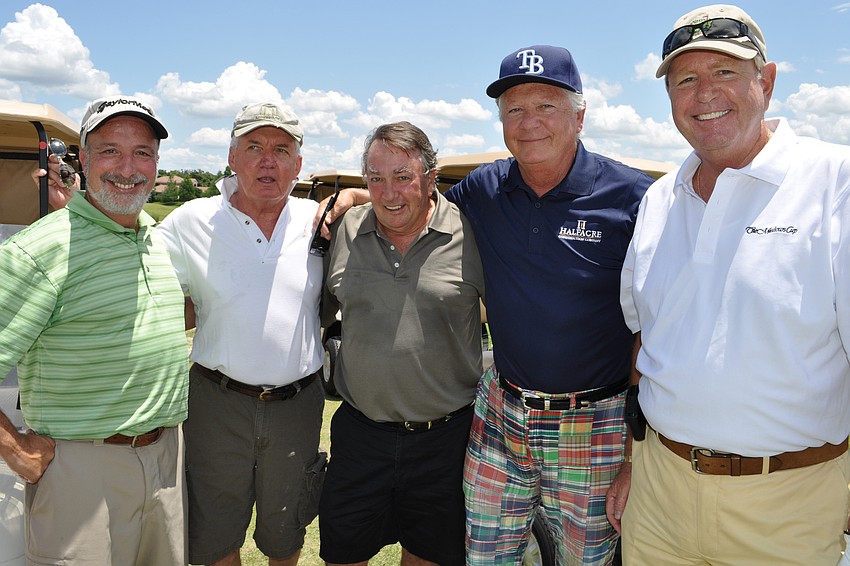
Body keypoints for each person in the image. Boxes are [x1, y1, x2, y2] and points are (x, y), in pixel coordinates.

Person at [319, 46, 653, 565]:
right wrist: (357, 197)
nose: (529, 123)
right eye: (515, 110)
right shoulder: (485, 189)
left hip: (594, 420)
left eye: (546, 106)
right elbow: (410, 194)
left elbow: (653, 329)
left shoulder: (634, 198)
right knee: (485, 555)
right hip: (503, 415)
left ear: (580, 115)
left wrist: (636, 455)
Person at [617, 5, 850, 564]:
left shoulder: (833, 184)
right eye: (685, 80)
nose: (704, 95)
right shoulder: (658, 199)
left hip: (788, 502)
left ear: (766, 82)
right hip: (658, 496)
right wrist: (632, 460)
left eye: (725, 73)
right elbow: (646, 338)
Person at [0, 95, 189, 564]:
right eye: (110, 150)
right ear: (83, 158)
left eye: (142, 152)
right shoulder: (37, 251)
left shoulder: (157, 241)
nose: (128, 167)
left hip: (165, 461)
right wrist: (15, 450)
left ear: (157, 162)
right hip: (80, 470)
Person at [156, 102, 327, 566]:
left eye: (281, 149)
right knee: (214, 533)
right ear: (232, 157)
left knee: (285, 533)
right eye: (254, 147)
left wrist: (350, 198)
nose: (267, 161)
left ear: (298, 163)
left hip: (298, 403)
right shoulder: (189, 221)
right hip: (217, 403)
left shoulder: (320, 222)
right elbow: (148, 291)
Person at [318, 121, 485, 566]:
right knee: (342, 554)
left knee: (428, 556)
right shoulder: (345, 230)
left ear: (431, 177)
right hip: (360, 435)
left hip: (444, 441)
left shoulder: (472, 234)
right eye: (375, 178)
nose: (388, 193)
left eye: (403, 177)